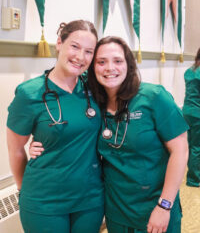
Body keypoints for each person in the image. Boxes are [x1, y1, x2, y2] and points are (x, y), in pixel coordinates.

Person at [30, 36, 189, 233]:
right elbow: (69, 130)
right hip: (116, 210)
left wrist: (164, 206)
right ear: (92, 67)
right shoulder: (92, 104)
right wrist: (39, 142)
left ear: (128, 64)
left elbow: (180, 151)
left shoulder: (154, 97)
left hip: (156, 206)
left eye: (118, 61)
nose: (109, 68)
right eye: (101, 62)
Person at [6, 20, 104, 233]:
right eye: (75, 46)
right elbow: (15, 150)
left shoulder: (95, 87)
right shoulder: (29, 93)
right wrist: (24, 190)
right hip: (44, 200)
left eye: (89, 51)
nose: (80, 57)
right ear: (59, 43)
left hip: (90, 198)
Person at [182, 48, 200, 187]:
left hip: (187, 111)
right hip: (198, 113)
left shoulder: (189, 71)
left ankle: (193, 174)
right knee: (197, 147)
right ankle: (194, 179)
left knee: (191, 145)